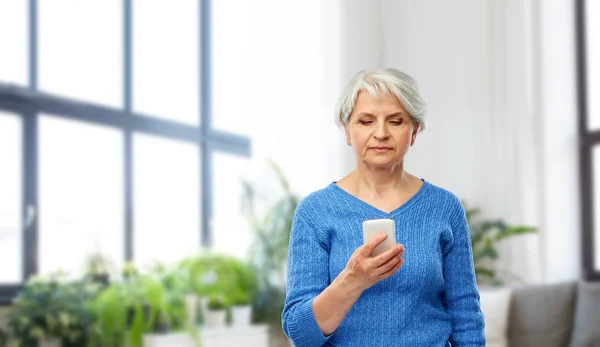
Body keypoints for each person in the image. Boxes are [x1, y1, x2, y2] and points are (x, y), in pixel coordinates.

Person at [281, 68, 486, 346]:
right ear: (347, 131)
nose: (380, 133)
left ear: (414, 131)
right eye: (366, 121)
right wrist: (354, 279)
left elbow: (466, 317)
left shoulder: (444, 207)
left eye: (395, 121)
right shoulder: (315, 212)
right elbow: (301, 333)